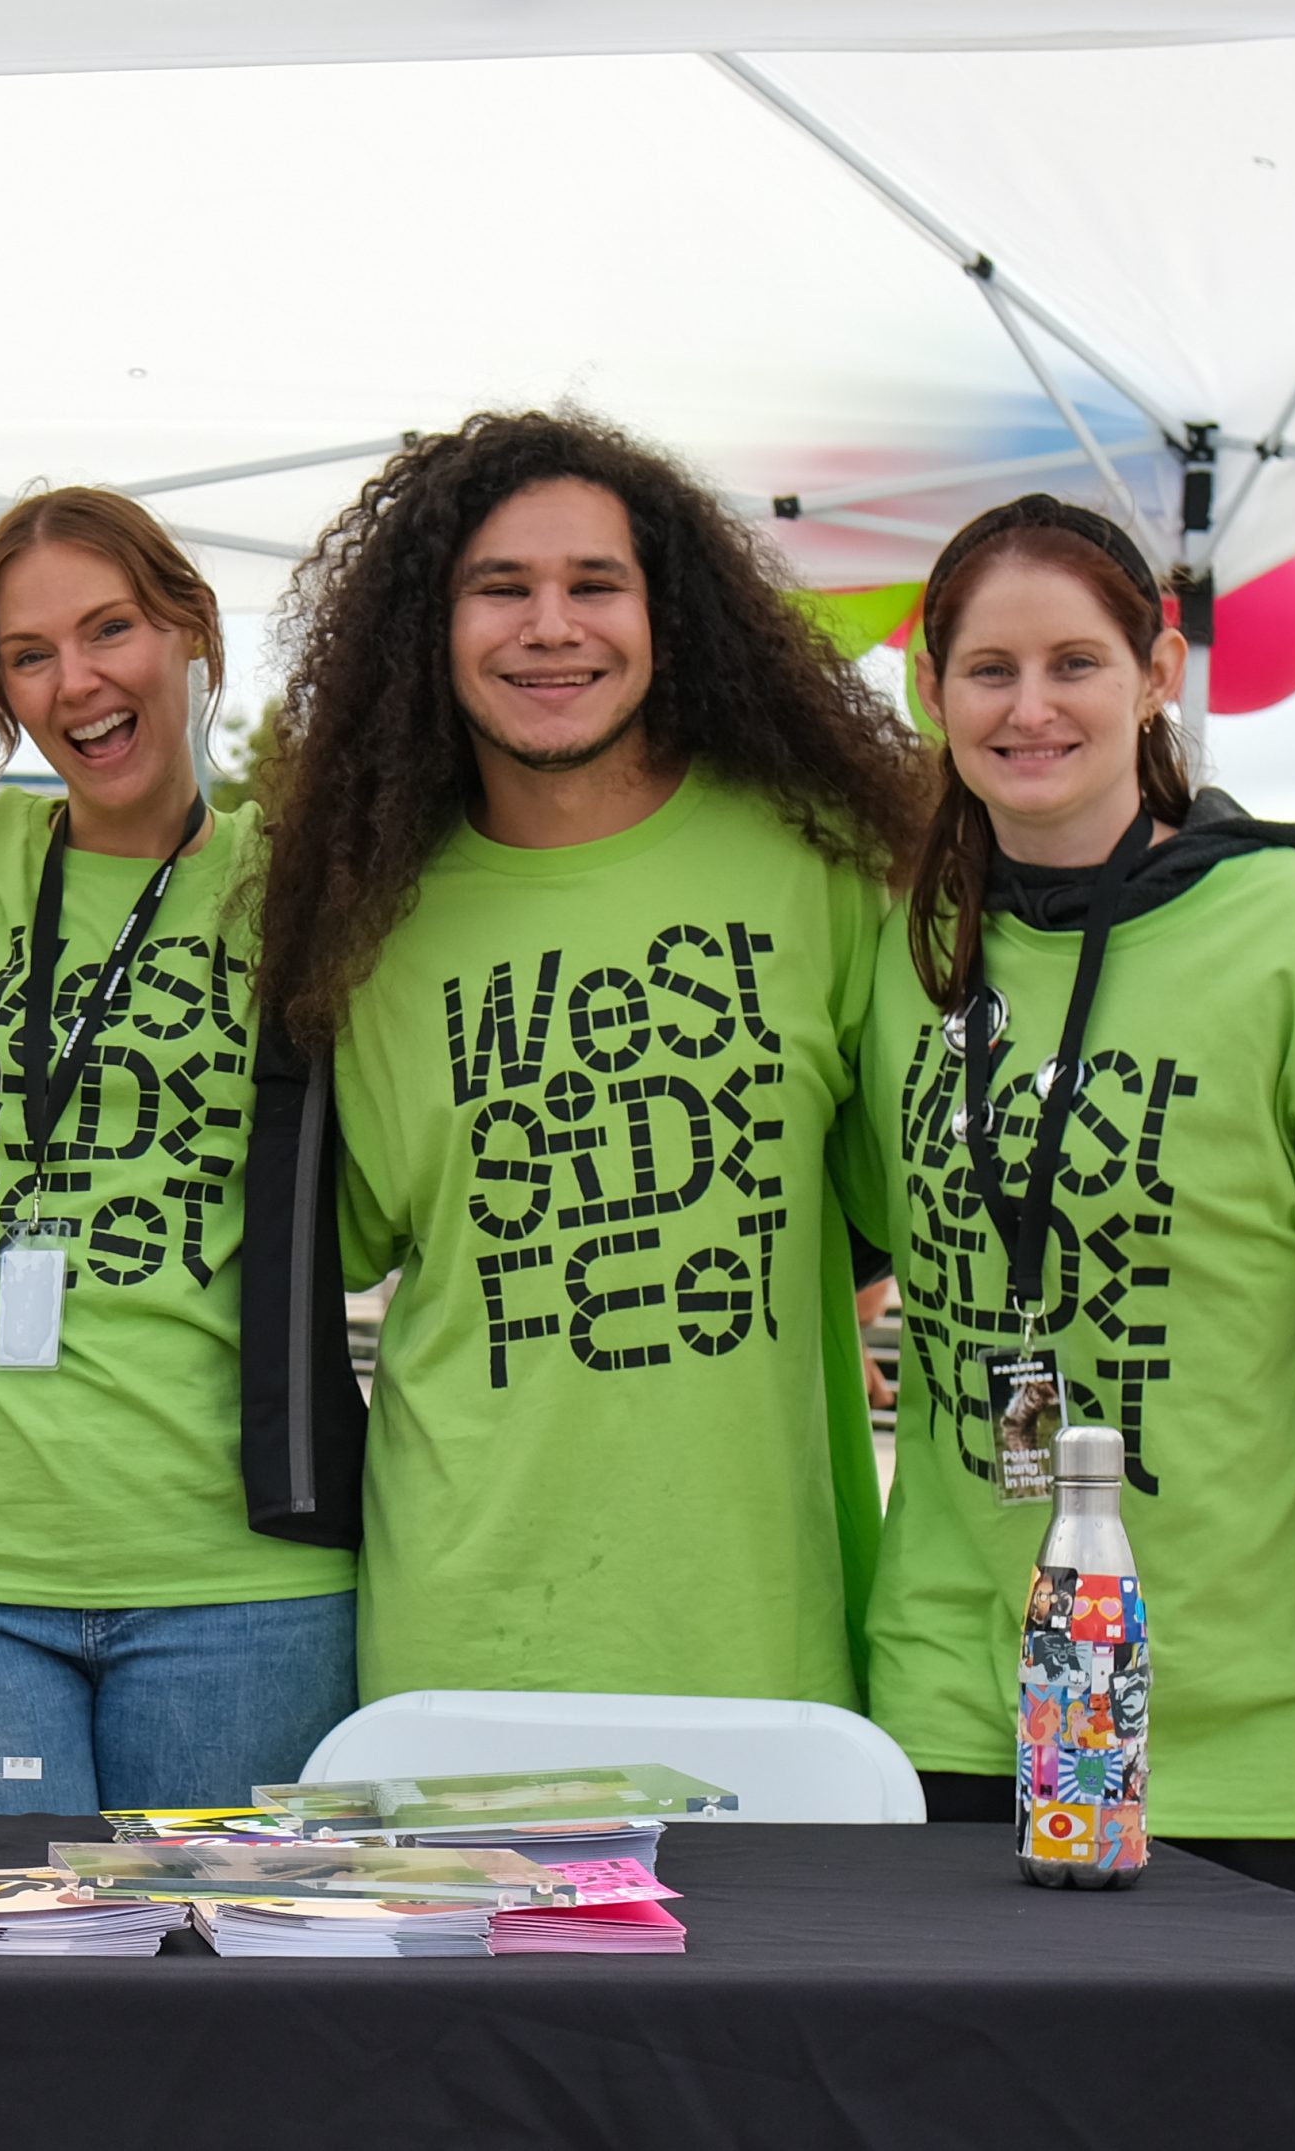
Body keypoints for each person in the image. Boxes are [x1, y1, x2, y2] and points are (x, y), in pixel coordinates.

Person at [838, 491, 1295, 1911]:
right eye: (988, 670)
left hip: (1240, 1712)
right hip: (955, 1699)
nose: (1031, 707)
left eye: (1075, 661)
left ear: (1158, 672)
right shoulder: (905, 946)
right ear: (934, 689)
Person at [254, 408, 928, 1714]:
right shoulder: (369, 918)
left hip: (762, 1644)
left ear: (667, 614)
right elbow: (334, 1242)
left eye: (594, 584)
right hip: (464, 1643)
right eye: (499, 588)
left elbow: (907, 1209)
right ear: (425, 633)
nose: (551, 624)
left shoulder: (826, 863)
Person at [0, 487, 365, 1812]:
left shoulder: (302, 888)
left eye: (111, 626)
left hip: (243, 1583)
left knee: (228, 1993)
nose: (78, 679)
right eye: (29, 654)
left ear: (190, 627)